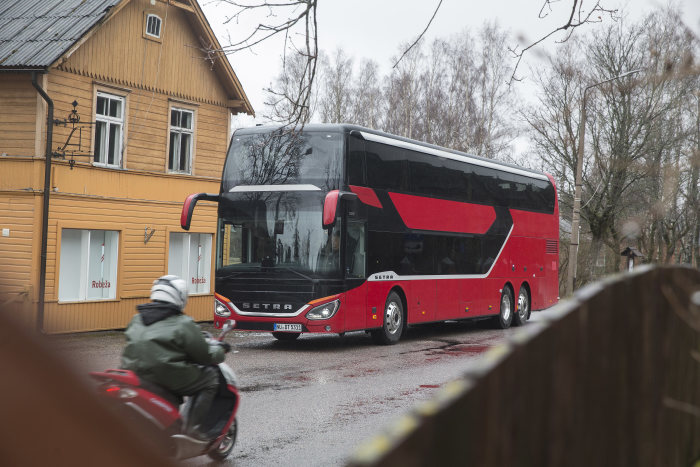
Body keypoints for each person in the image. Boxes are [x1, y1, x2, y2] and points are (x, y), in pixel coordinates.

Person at [120, 275, 230, 441]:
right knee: (211, 379)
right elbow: (205, 356)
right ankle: (193, 429)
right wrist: (220, 351)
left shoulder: (136, 319)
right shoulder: (183, 323)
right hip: (166, 375)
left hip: (135, 374)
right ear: (179, 297)